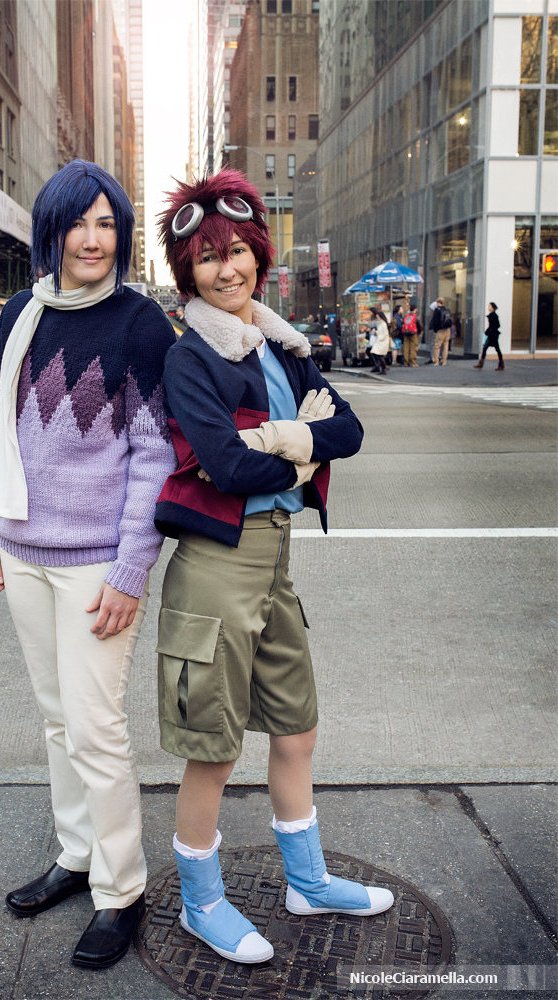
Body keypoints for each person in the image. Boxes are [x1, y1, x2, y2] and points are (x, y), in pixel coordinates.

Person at [153, 169, 394, 964]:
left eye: (235, 251)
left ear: (258, 253)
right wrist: (301, 449)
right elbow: (224, 466)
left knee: (296, 728)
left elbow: (349, 429)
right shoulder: (191, 358)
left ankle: (307, 881)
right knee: (214, 747)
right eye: (205, 258)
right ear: (187, 271)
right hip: (214, 569)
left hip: (274, 563)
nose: (225, 269)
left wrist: (286, 441)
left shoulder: (282, 348)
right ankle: (201, 902)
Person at [0, 159, 177, 969]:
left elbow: (153, 458)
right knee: (57, 719)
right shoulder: (21, 312)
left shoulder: (140, 324)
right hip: (22, 552)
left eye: (107, 223)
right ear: (50, 231)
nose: (93, 239)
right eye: (78, 222)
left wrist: (130, 570)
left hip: (95, 563)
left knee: (95, 728)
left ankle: (121, 890)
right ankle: (78, 852)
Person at [474, 303, 504, 370]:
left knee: (496, 349)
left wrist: (490, 330)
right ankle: (481, 363)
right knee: (486, 348)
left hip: (493, 335)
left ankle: (501, 363)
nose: (488, 307)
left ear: (493, 308)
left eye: (489, 306)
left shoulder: (494, 316)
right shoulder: (491, 315)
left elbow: (497, 325)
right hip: (491, 335)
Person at [428, 297, 452, 365]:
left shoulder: (437, 310)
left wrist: (435, 330)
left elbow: (435, 321)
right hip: (447, 330)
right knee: (445, 346)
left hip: (440, 331)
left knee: (437, 346)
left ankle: (436, 361)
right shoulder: (447, 309)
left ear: (438, 302)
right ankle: (444, 361)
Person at [369, 306, 391, 374]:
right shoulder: (380, 323)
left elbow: (385, 333)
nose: (377, 318)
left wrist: (380, 337)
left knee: (379, 355)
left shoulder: (383, 324)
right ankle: (383, 368)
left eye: (378, 317)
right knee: (377, 354)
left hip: (382, 341)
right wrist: (376, 332)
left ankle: (384, 367)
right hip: (380, 341)